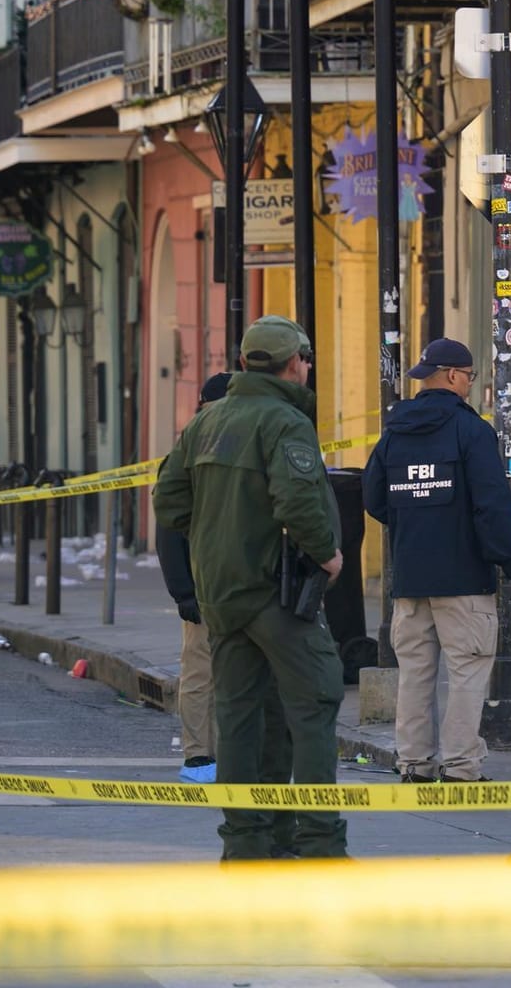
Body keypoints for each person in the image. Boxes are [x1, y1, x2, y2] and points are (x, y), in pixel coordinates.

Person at [154, 315, 349, 861]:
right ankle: (318, 842)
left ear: (243, 363)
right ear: (295, 365)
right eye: (305, 361)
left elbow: (168, 502)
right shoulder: (284, 422)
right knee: (315, 699)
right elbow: (299, 503)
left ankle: (247, 843)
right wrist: (327, 556)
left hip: (220, 593)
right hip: (273, 591)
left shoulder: (206, 423)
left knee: (240, 715)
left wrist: (218, 533)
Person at [362, 338, 511, 783]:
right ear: (454, 375)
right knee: (468, 672)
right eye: (470, 377)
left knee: (415, 674)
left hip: (412, 579)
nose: (471, 386)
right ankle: (460, 767)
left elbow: (374, 497)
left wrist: (411, 524)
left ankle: (415, 763)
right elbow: (492, 509)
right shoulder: (472, 432)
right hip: (464, 579)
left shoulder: (395, 431)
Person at [158, 371, 233, 784]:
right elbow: (169, 528)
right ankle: (201, 756)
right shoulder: (189, 454)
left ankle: (214, 754)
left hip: (229, 583)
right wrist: (183, 591)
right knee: (204, 672)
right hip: (207, 586)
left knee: (217, 672)